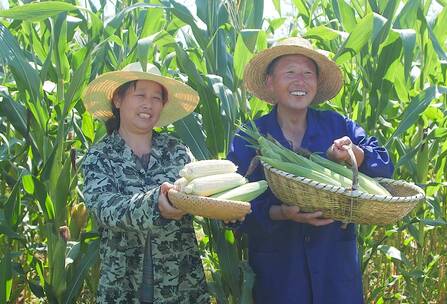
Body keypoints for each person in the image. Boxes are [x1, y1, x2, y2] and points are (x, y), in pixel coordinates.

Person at [227, 37, 394, 304]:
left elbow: (385, 165)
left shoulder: (338, 126)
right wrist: (279, 213)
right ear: (270, 81)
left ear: (316, 83)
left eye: (308, 73)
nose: (300, 81)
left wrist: (356, 155)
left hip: (335, 274)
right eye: (290, 72)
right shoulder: (250, 136)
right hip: (280, 279)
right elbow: (234, 210)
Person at [82, 62, 210, 303]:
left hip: (181, 282)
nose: (148, 104)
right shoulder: (100, 156)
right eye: (140, 94)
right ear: (118, 100)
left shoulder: (177, 151)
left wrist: (230, 212)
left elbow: (202, 197)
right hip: (123, 283)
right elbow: (104, 209)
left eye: (156, 98)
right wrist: (156, 204)